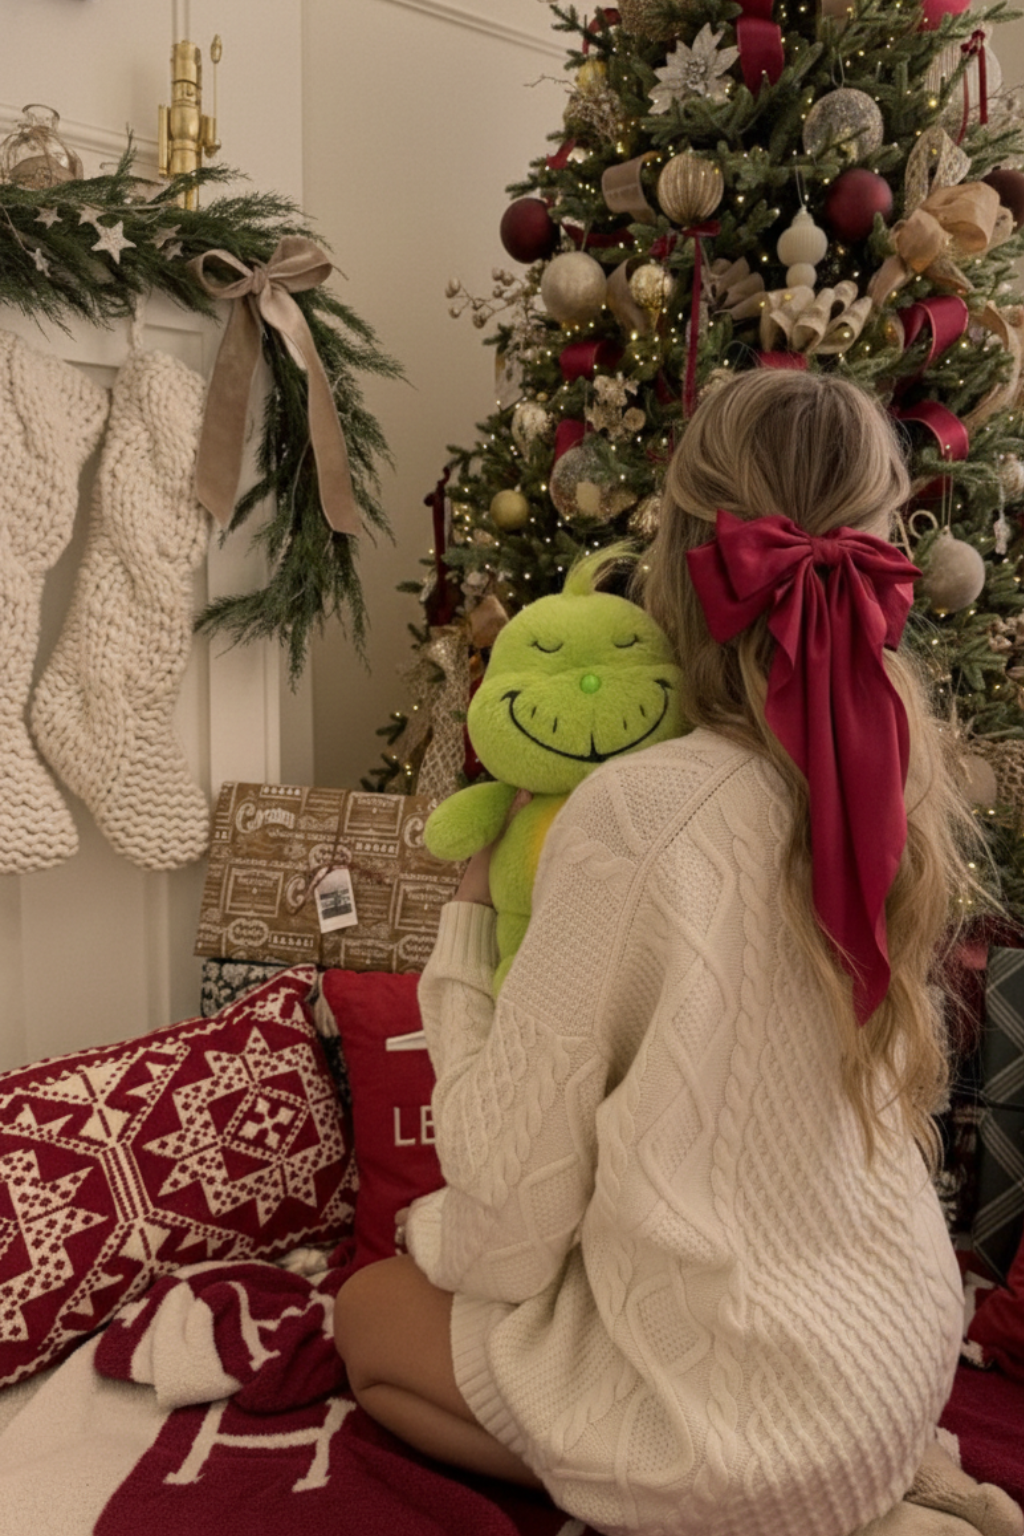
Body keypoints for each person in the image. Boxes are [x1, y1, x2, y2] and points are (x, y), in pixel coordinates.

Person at [334, 370, 1023, 1536]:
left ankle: (722, 1505)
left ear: (682, 557)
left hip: (756, 1436)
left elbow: (507, 1221)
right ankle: (874, 1486)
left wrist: (467, 928)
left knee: (367, 1315)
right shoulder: (892, 783)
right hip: (900, 1369)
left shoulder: (638, 812)